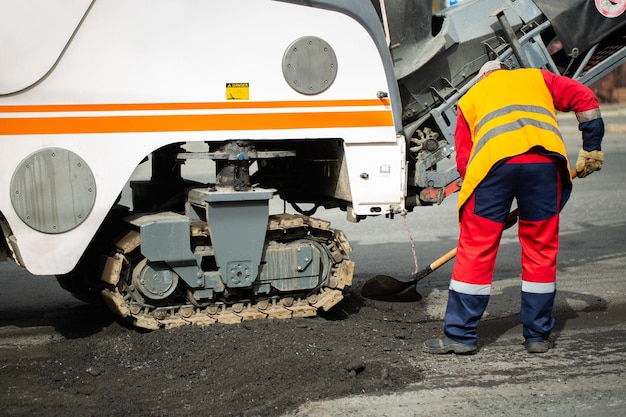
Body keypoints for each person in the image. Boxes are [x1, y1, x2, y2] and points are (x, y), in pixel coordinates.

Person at [423, 60, 605, 355]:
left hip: (493, 170)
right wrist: (592, 145)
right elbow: (584, 97)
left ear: (483, 78)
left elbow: (466, 163)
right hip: (545, 165)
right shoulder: (538, 78)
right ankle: (537, 336)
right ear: (509, 71)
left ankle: (461, 336)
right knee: (540, 247)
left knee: (477, 246)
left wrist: (488, 210)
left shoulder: (470, 98)